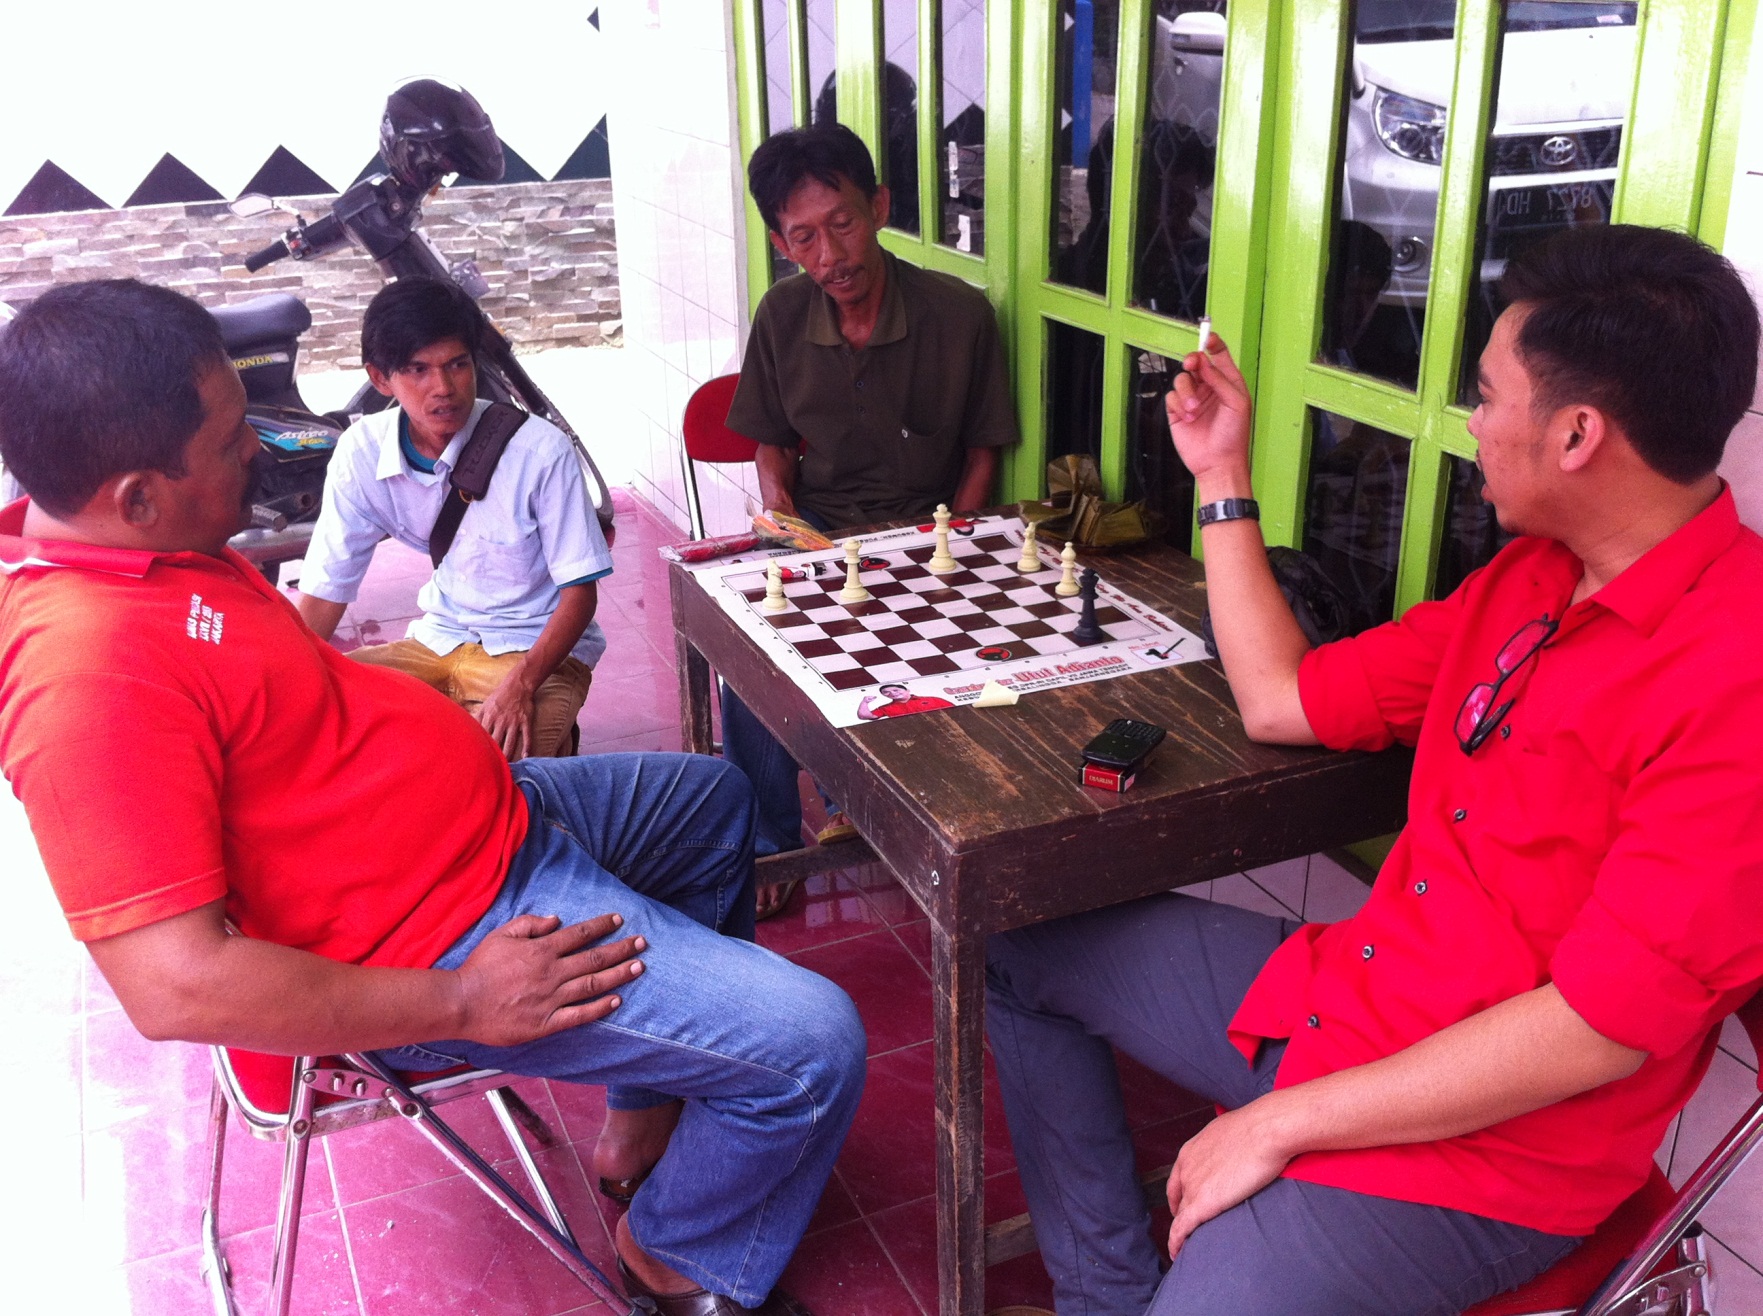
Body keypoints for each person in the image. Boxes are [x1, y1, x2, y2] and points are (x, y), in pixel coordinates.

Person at [0, 279, 865, 1316]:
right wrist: (463, 1001)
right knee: (817, 1042)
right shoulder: (86, 679)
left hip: (491, 821)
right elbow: (172, 985)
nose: (263, 448)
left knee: (712, 804)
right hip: (447, 937)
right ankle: (672, 1254)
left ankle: (641, 1119)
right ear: (137, 493)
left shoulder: (149, 549)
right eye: (234, 439)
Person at [985, 223, 1763, 1315]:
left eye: (1487, 395)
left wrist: (1277, 1121)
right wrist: (1220, 473)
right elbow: (1279, 697)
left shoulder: (1737, 670)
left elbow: (1592, 1028)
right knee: (1023, 945)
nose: (1470, 423)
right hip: (1348, 996)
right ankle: (1102, 1294)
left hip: (1491, 1152)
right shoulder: (1530, 581)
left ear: (1577, 432)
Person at [724, 123, 1019, 910]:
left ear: (880, 206)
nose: (830, 256)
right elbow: (771, 445)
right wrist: (777, 506)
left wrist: (949, 537)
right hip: (818, 524)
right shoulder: (781, 316)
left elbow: (984, 454)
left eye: (844, 223)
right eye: (804, 237)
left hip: (928, 531)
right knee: (755, 651)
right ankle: (768, 845)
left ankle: (881, 806)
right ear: (782, 242)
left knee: (944, 644)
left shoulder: (958, 316)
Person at [296, 277, 608, 761]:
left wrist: (522, 685)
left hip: (530, 652)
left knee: (494, 766)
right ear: (380, 379)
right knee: (322, 721)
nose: (443, 388)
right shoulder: (360, 454)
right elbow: (324, 591)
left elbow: (580, 595)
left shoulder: (539, 451)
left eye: (457, 365)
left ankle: (554, 749)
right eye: (418, 370)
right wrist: (284, 689)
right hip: (435, 641)